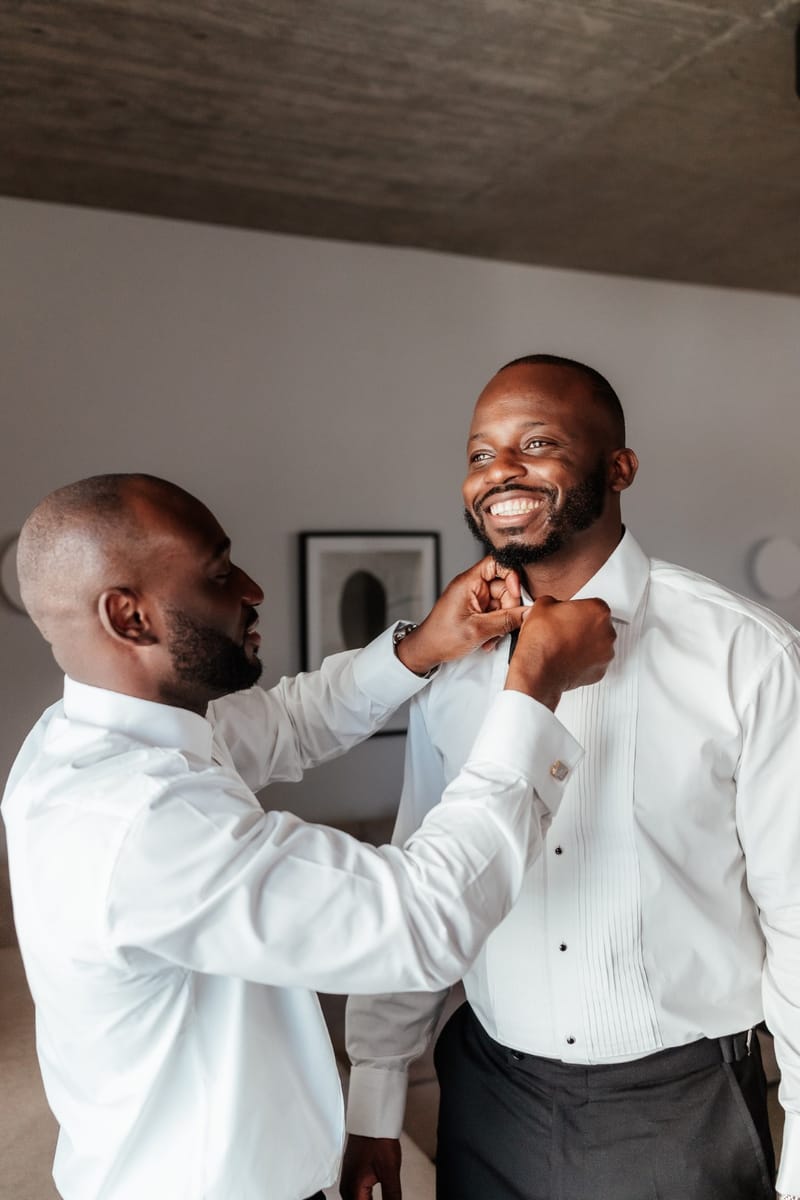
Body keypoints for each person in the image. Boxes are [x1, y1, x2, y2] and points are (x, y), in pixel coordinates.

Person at [1, 472, 617, 1200]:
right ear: (130, 617)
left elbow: (291, 723)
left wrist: (421, 647)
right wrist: (533, 688)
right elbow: (422, 922)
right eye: (220, 572)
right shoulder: (142, 821)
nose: (253, 589)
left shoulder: (87, 741)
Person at [343, 354, 800, 1200]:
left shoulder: (747, 656)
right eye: (480, 453)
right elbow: (420, 878)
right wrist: (374, 1097)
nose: (500, 472)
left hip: (681, 1113)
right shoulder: (456, 660)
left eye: (538, 442)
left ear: (618, 468)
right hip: (486, 1093)